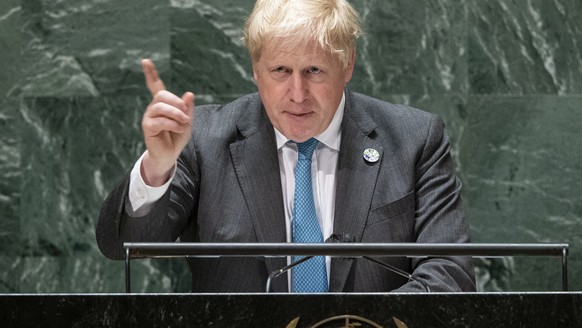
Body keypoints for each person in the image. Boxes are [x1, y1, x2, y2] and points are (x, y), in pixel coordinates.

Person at [96, 0, 475, 293]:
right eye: (280, 71)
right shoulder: (205, 140)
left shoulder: (414, 139)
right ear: (256, 70)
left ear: (347, 65)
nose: (297, 94)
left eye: (314, 71)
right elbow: (123, 245)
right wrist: (158, 166)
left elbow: (449, 275)